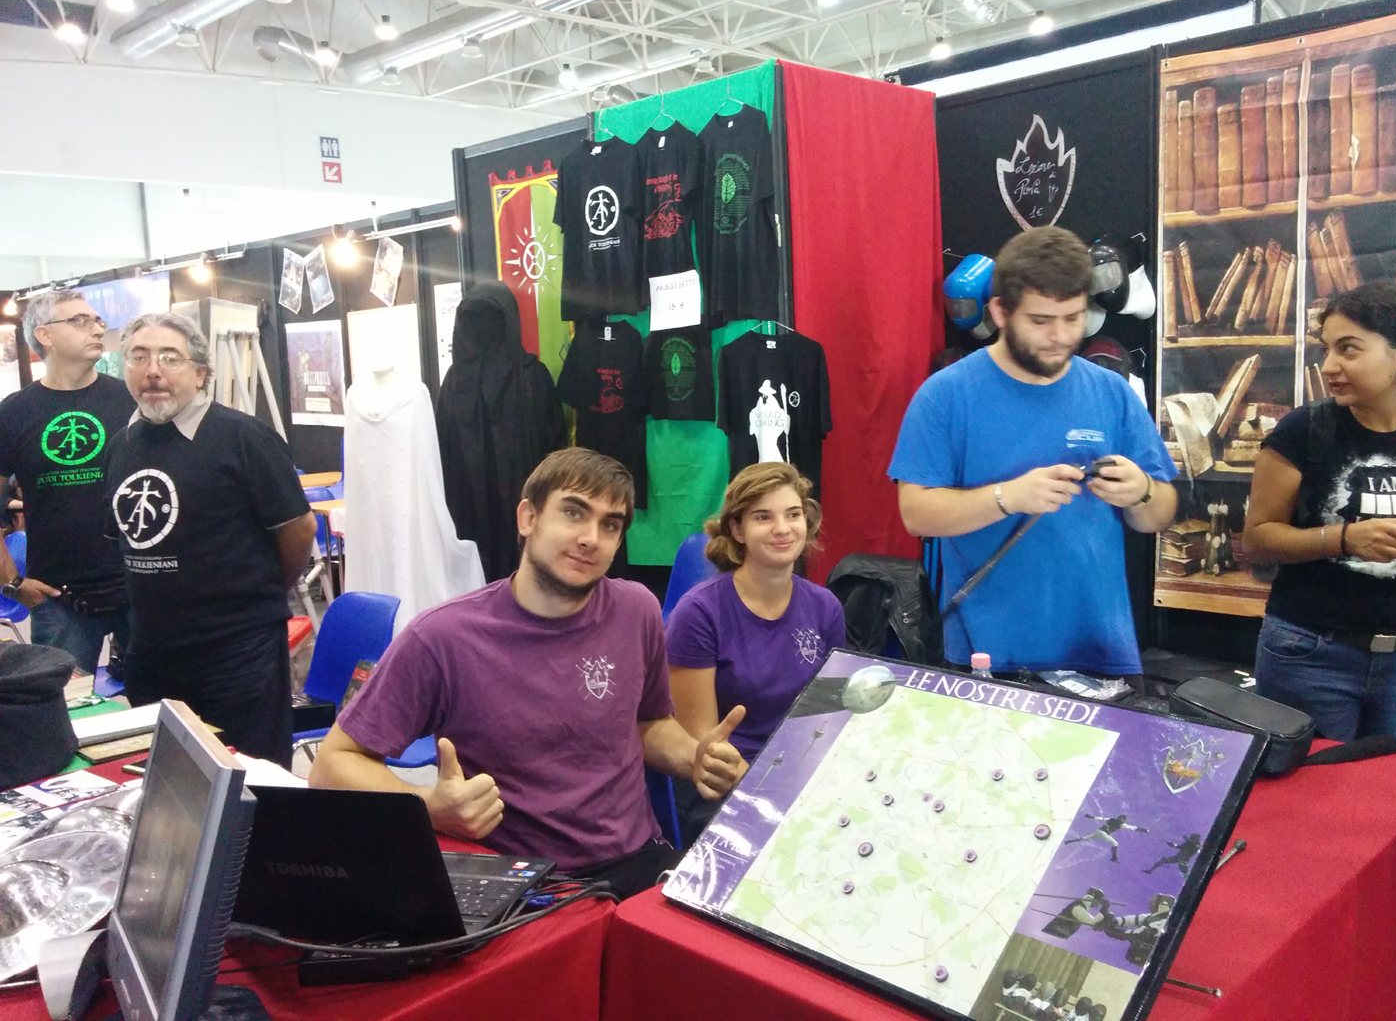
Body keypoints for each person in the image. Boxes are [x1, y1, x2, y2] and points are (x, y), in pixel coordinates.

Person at [309, 448, 750, 899]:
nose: (590, 538)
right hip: (521, 881)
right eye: (574, 513)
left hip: (637, 862)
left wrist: (692, 757)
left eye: (610, 525)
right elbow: (332, 764)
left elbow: (647, 723)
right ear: (528, 518)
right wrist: (429, 806)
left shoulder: (637, 610)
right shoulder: (442, 638)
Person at [890, 226, 1178, 674]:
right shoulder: (946, 395)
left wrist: (1141, 491)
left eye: (1073, 318)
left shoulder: (1111, 392)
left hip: (1100, 646)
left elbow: (1159, 514)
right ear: (1000, 312)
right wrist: (1009, 497)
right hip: (988, 652)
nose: (1059, 336)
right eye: (1040, 321)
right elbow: (916, 514)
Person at [106, 313, 315, 767]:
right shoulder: (123, 444)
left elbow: (299, 530)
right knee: (169, 779)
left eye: (169, 358)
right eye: (139, 357)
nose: (152, 371)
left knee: (252, 779)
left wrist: (261, 588)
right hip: (152, 650)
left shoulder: (244, 438)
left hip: (236, 652)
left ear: (200, 373)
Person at [1244, 282, 1396, 751]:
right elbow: (1257, 540)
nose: (1329, 366)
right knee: (1307, 787)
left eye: (1349, 349)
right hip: (1309, 652)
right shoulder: (1304, 429)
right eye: (1327, 350)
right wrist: (1343, 538)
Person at [664, 462, 845, 844]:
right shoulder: (698, 613)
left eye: (793, 514)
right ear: (737, 529)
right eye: (763, 517)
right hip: (724, 784)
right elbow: (704, 744)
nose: (783, 528)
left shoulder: (826, 607)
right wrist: (766, 789)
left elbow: (827, 720)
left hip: (801, 775)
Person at [0, 290, 135, 673]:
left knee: (161, 700)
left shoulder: (131, 400)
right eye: (80, 321)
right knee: (64, 702)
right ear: (44, 334)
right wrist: (13, 583)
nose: (97, 329)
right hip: (57, 598)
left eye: (98, 321)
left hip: (141, 587)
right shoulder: (14, 413)